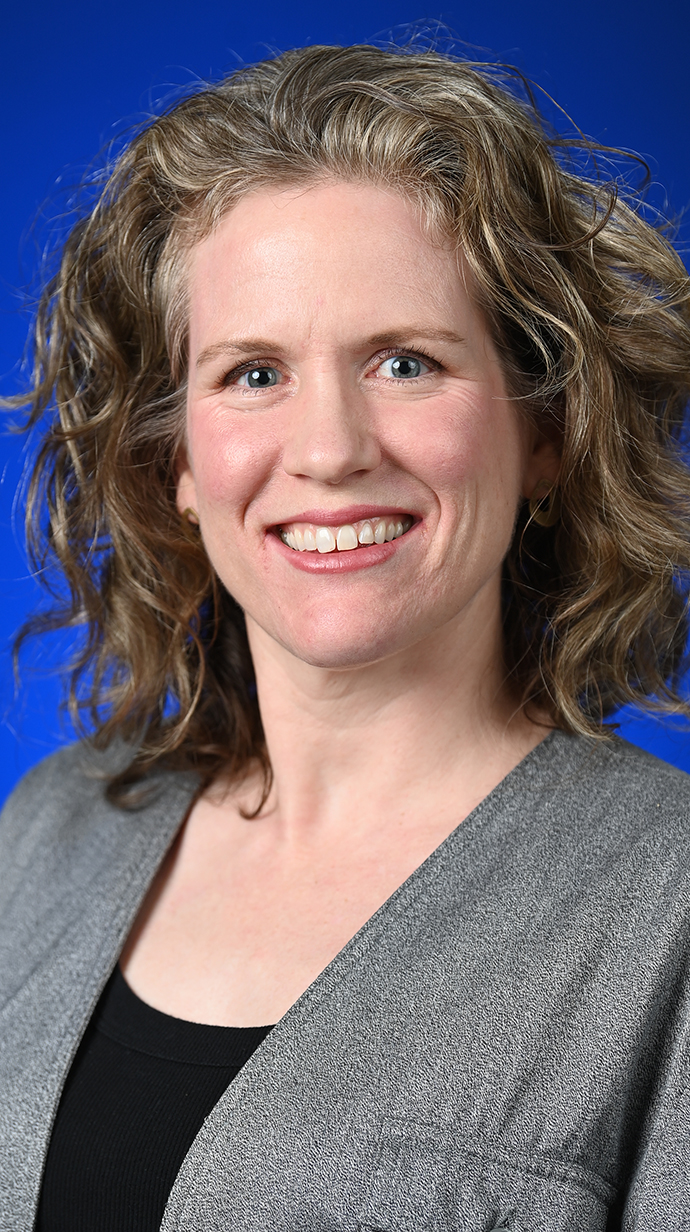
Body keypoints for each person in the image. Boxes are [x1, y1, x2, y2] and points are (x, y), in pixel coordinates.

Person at [1, 41, 690, 1232]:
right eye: (253, 371)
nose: (328, 448)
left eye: (406, 361)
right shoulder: (45, 835)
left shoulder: (664, 904)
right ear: (175, 459)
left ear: (545, 430)